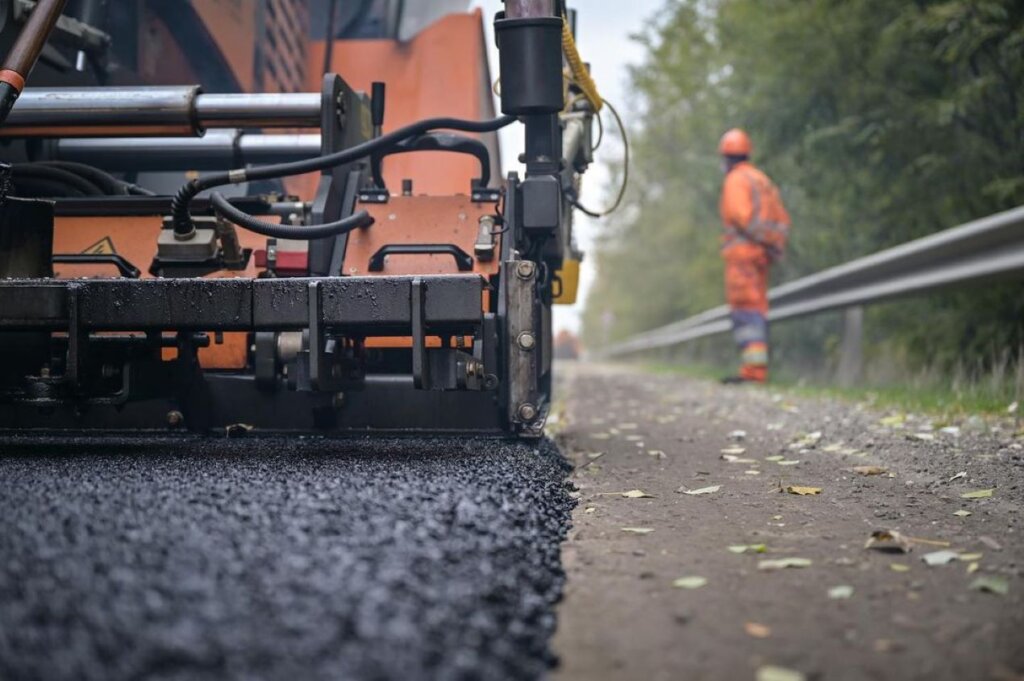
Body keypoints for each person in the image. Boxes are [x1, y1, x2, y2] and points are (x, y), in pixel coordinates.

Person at [717, 128, 790, 384]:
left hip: (744, 256)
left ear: (726, 157)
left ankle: (753, 372)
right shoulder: (761, 180)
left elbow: (741, 217)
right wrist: (773, 245)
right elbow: (781, 220)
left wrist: (760, 240)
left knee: (746, 310)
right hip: (761, 257)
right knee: (758, 308)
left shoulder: (736, 180)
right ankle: (756, 370)